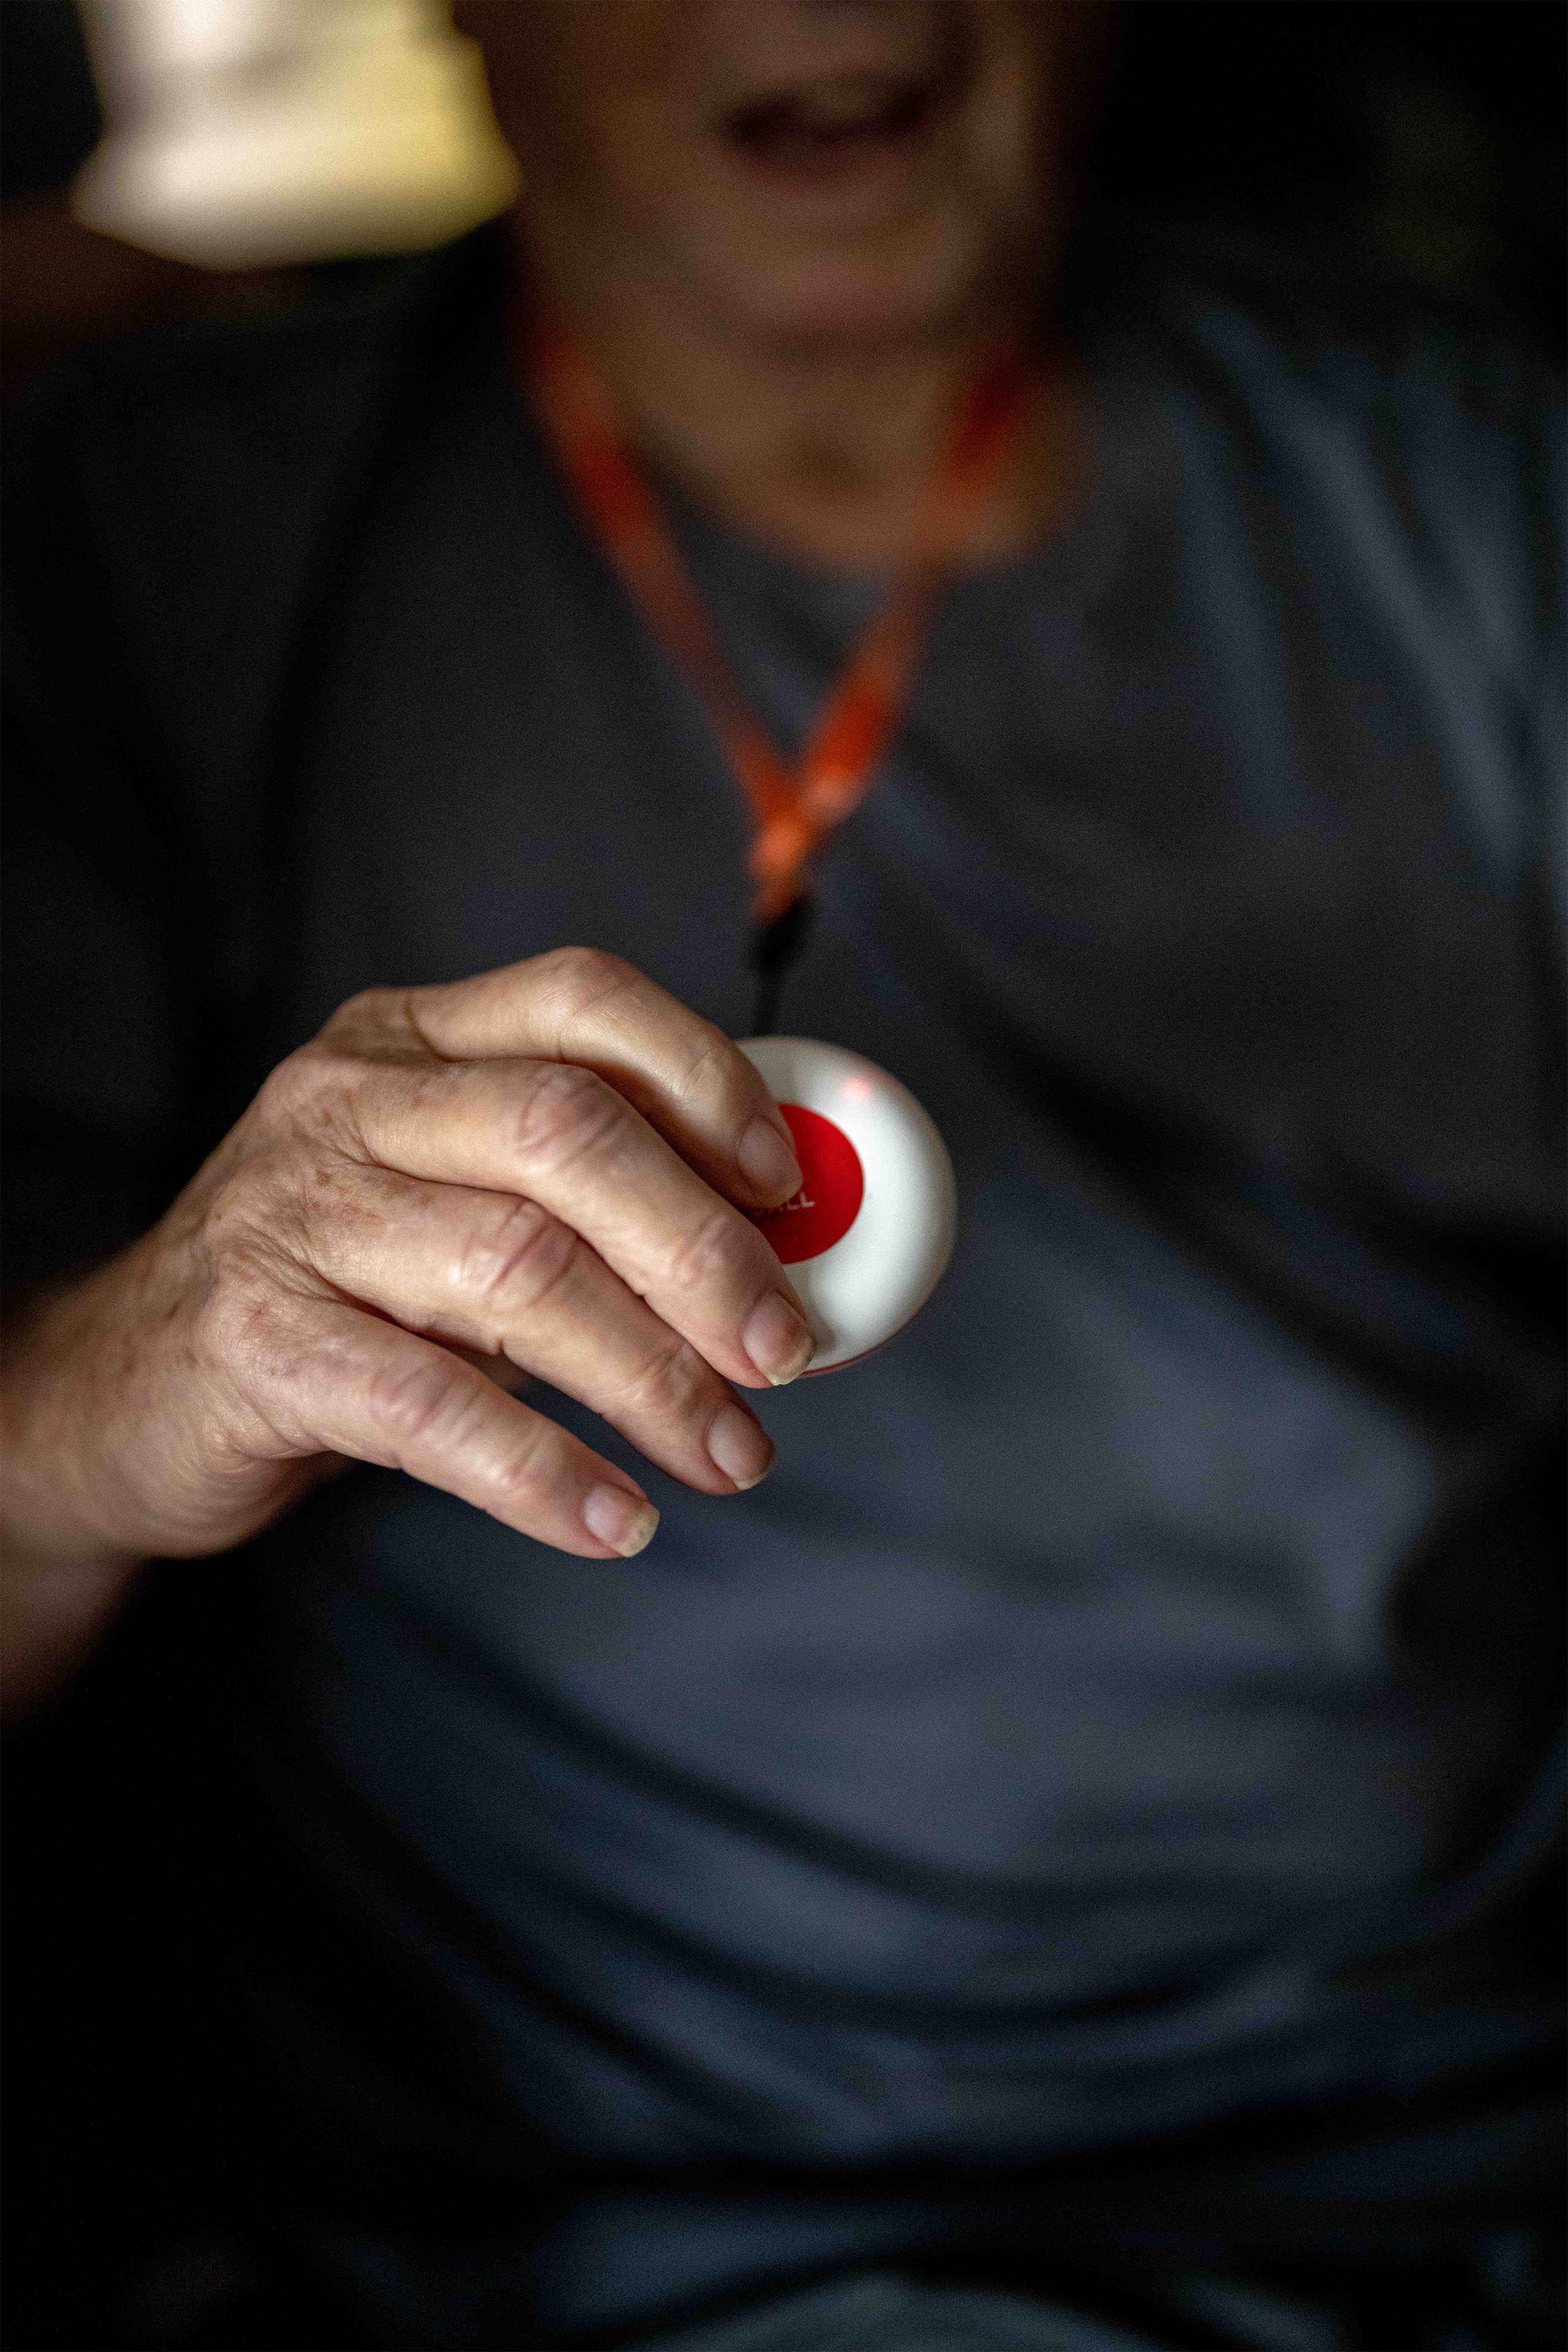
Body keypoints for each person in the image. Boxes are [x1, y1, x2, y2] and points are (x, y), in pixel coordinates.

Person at [2, 4, 1562, 2345]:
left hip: (1480, 2142)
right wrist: (82, 1411)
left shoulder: (1467, 475)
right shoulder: (145, 543)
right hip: (669, 2240)